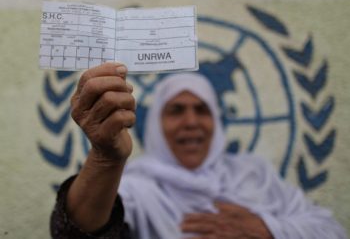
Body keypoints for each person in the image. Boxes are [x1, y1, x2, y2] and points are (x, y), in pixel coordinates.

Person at [50, 62, 347, 239]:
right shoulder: (136, 187)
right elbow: (75, 233)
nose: (191, 122)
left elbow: (332, 230)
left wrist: (267, 229)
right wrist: (107, 158)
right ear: (155, 124)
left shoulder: (254, 174)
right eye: (176, 110)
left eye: (202, 109)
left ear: (216, 121)